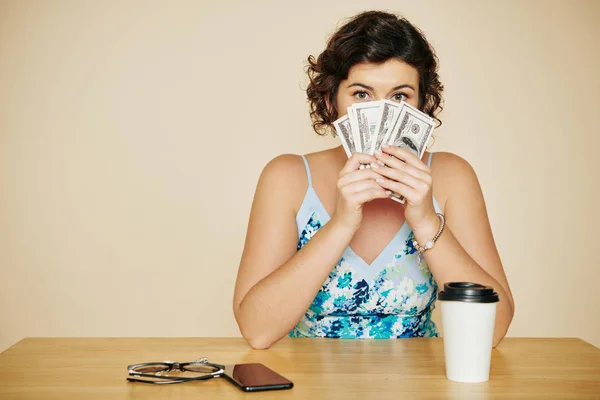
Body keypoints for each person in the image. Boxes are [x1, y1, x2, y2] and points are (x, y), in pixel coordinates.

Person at [232, 10, 514, 350]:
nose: (383, 114)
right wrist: (341, 224)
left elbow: (493, 329)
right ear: (330, 100)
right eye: (362, 94)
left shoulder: (452, 177)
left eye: (400, 96)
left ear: (422, 105)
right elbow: (257, 331)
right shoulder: (287, 177)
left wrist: (425, 220)